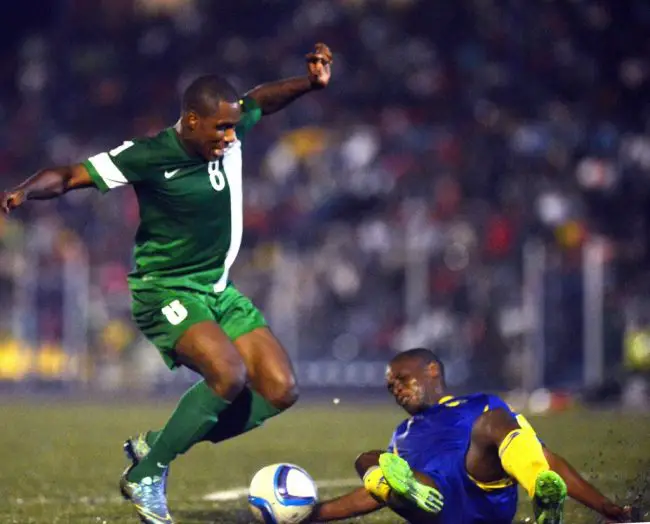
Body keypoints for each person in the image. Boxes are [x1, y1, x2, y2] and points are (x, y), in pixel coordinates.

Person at [1, 43, 333, 524]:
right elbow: (72, 174)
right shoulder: (150, 154)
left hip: (218, 290)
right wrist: (23, 191)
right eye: (220, 128)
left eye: (233, 126)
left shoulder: (231, 130)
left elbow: (261, 100)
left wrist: (309, 84)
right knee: (228, 375)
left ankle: (157, 445)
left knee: (281, 388)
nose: (230, 136)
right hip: (165, 290)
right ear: (192, 121)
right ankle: (148, 473)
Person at [310, 348, 637, 524]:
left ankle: (541, 492)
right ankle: (412, 490)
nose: (395, 388)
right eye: (390, 386)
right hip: (433, 501)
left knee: (493, 422)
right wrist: (315, 514)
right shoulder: (402, 432)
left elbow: (544, 456)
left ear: (432, 370)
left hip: (483, 487)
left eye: (402, 379)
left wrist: (604, 506)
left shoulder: (481, 403)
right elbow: (374, 493)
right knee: (369, 459)